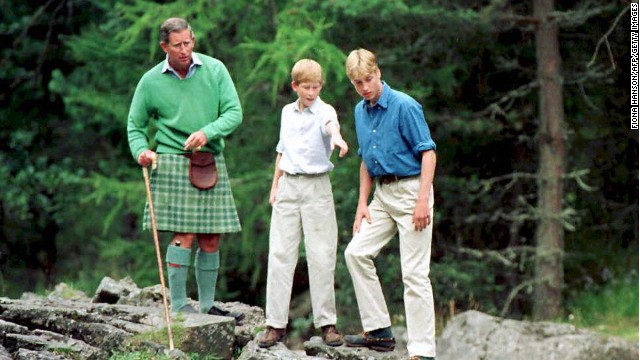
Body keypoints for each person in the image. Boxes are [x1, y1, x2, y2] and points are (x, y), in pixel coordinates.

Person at [127, 17, 243, 321]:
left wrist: (208, 132)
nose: (184, 50)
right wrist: (141, 151)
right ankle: (178, 305)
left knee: (211, 238)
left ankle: (207, 306)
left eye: (188, 42)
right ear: (164, 46)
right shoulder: (151, 81)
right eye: (177, 45)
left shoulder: (215, 70)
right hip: (171, 161)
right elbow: (135, 125)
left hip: (209, 159)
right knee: (185, 235)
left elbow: (234, 113)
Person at [342, 48, 437, 360]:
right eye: (358, 82)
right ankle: (380, 332)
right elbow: (366, 160)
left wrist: (423, 199)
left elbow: (428, 153)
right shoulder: (360, 111)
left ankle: (422, 352)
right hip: (382, 195)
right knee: (355, 253)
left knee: (414, 274)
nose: (365, 86)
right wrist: (362, 203)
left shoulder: (404, 106)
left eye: (368, 79)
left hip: (412, 191)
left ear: (378, 72)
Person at [258, 59, 349, 348]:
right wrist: (275, 186)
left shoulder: (325, 110)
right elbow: (281, 151)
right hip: (288, 185)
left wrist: (337, 138)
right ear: (295, 86)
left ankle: (327, 324)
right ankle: (275, 324)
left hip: (316, 186)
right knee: (280, 254)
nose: (312, 92)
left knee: (321, 255)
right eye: (307, 87)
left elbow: (330, 126)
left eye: (316, 87)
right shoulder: (287, 112)